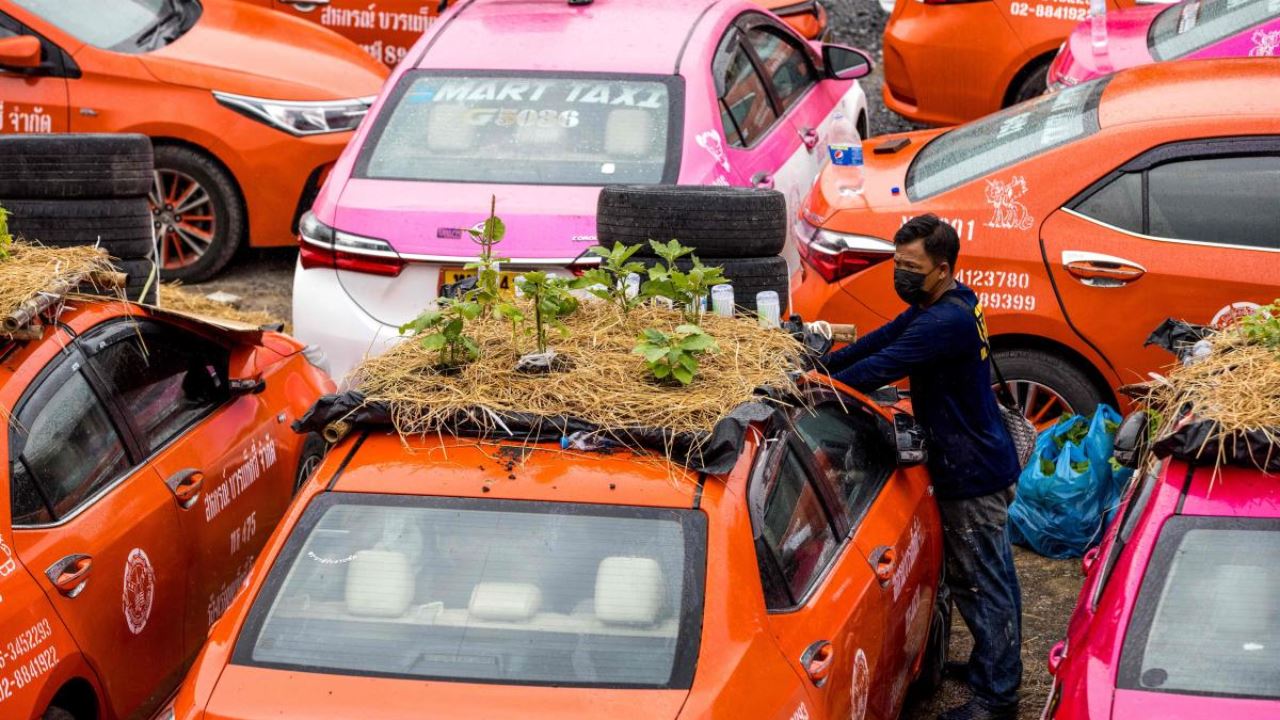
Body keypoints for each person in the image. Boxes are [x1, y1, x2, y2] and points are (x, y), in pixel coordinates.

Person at [818, 214, 1023, 720]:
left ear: (942, 268)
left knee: (982, 584)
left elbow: (881, 366)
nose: (901, 273)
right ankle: (992, 667)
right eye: (897, 262)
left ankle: (997, 697)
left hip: (971, 474)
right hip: (981, 457)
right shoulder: (951, 301)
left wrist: (819, 387)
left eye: (911, 266)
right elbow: (880, 340)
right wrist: (818, 368)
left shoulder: (944, 322)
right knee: (993, 575)